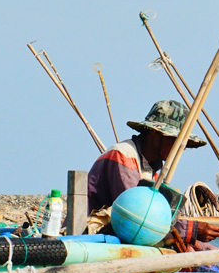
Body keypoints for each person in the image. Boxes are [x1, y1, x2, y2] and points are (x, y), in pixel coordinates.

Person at [85, 99, 207, 233]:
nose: (180, 149)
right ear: (155, 133)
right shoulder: (124, 156)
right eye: (174, 140)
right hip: (88, 234)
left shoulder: (152, 172)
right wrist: (189, 230)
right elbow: (136, 215)